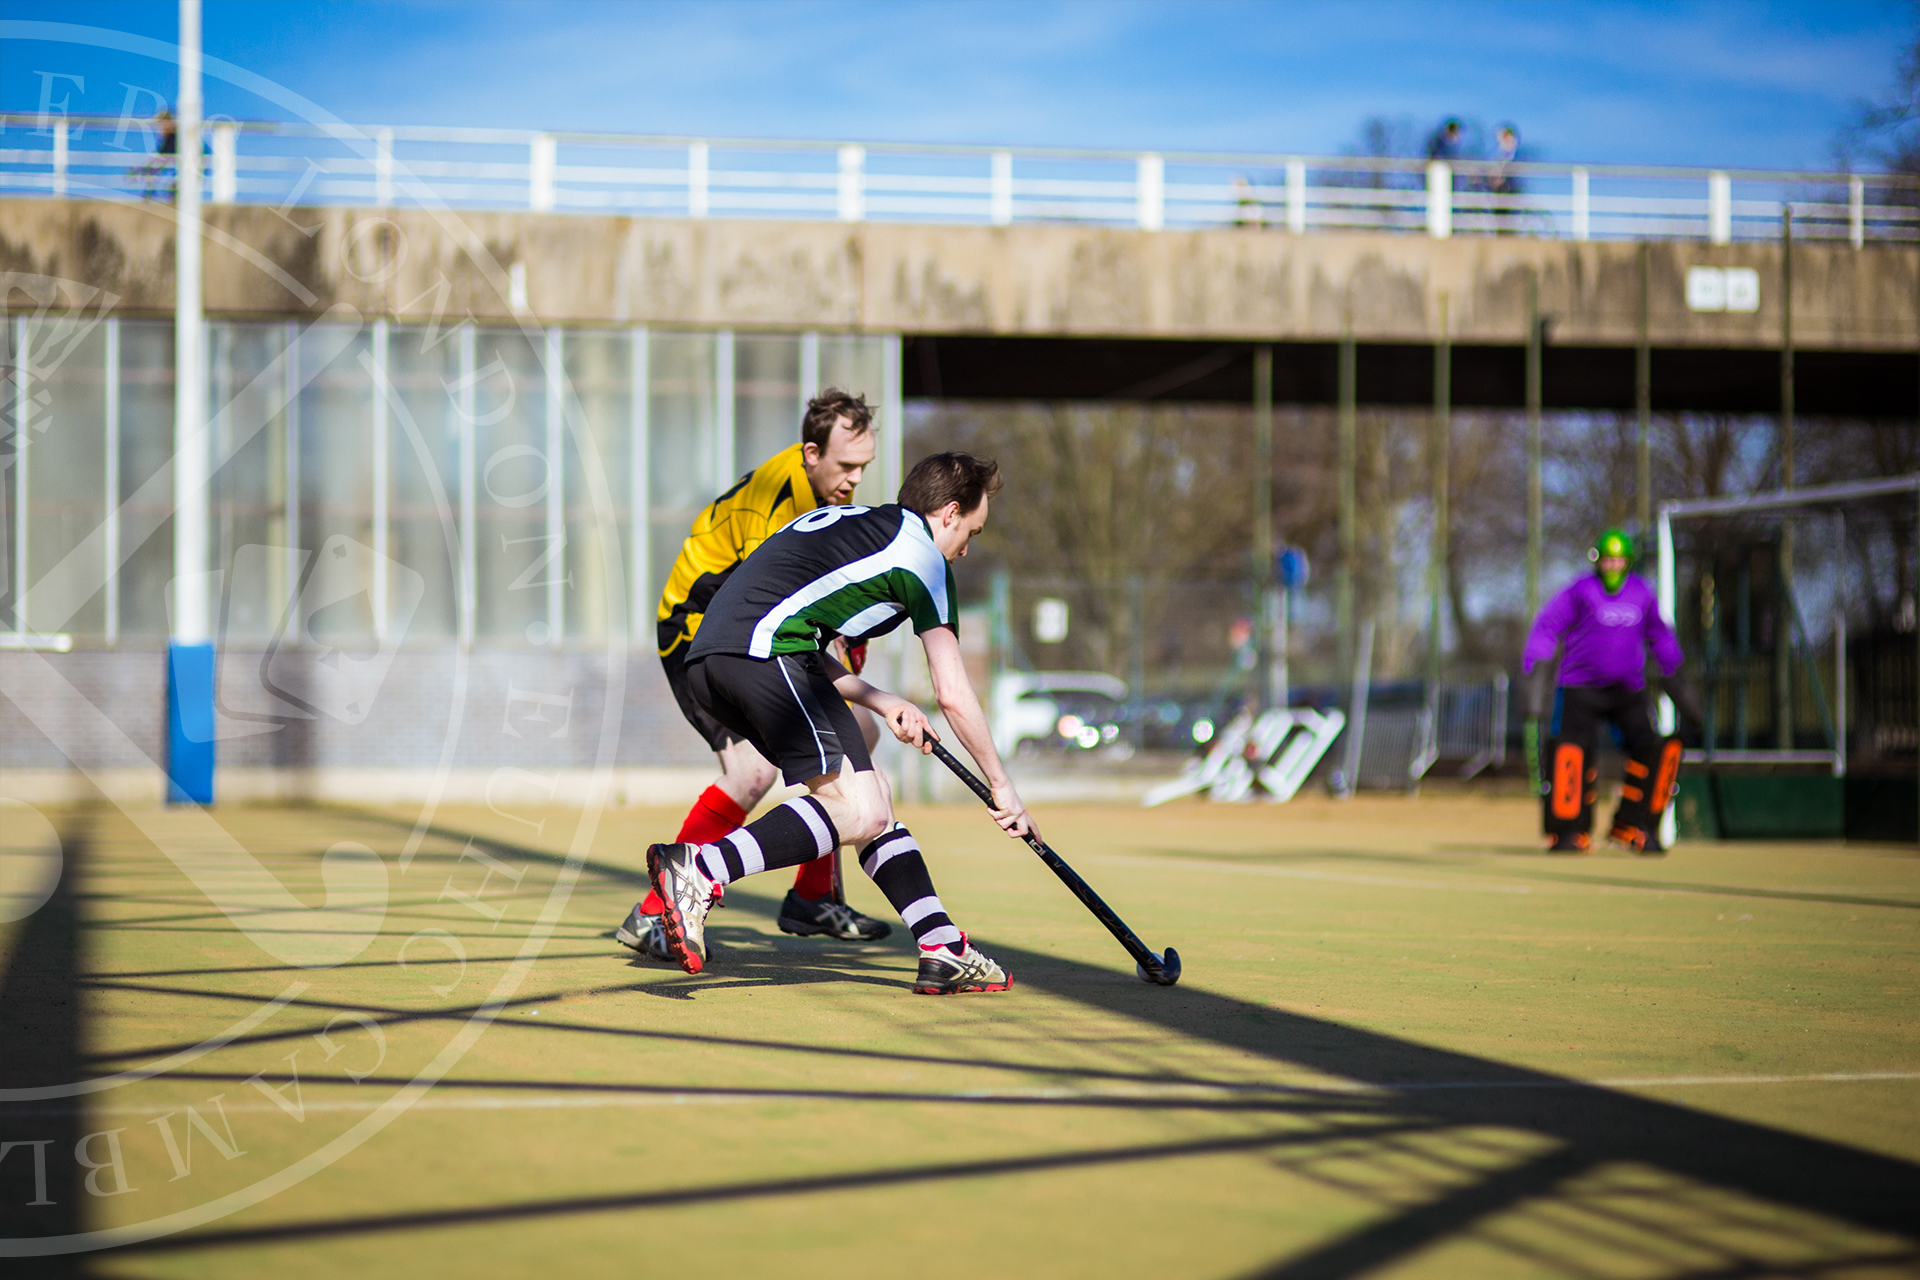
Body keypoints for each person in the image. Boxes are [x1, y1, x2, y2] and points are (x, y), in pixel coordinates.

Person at [645, 451, 1032, 995]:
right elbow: (954, 692)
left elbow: (799, 631)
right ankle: (702, 868)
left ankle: (940, 946)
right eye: (971, 530)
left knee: (871, 801)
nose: (967, 548)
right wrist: (1002, 785)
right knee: (855, 807)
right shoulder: (925, 559)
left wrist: (883, 702)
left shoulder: (858, 527)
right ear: (948, 513)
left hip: (713, 660)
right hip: (765, 653)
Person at [615, 389, 893, 960]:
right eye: (845, 466)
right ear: (811, 453)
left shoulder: (815, 494)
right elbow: (768, 605)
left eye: (863, 468)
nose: (854, 480)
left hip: (743, 630)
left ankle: (812, 898)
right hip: (697, 631)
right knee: (749, 775)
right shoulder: (771, 504)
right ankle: (651, 912)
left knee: (856, 734)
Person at [1521, 528, 1703, 854]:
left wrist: (1678, 678)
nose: (1613, 566)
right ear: (1597, 560)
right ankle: (1569, 832)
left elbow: (1661, 637)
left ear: (1628, 561)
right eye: (1607, 559)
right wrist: (1536, 667)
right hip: (1580, 687)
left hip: (1627, 690)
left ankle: (1634, 826)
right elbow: (1547, 626)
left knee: (1651, 750)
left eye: (1618, 559)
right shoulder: (1581, 591)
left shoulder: (1642, 595)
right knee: (1569, 753)